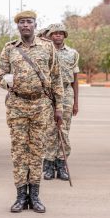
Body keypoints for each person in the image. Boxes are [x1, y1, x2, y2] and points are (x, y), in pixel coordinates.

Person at [0, 10, 63, 214]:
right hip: (17, 106)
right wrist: (5, 82)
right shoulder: (9, 49)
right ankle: (20, 196)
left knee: (36, 151)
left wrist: (59, 107)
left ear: (35, 25)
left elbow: (56, 77)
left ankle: (34, 196)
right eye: (22, 22)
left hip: (40, 106)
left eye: (29, 22)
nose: (25, 25)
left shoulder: (47, 48)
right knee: (19, 151)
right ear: (18, 26)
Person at [43, 23, 79, 181]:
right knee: (50, 130)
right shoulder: (44, 52)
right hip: (49, 94)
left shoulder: (72, 53)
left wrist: (76, 102)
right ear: (50, 36)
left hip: (66, 93)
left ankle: (61, 164)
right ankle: (49, 164)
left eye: (60, 33)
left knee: (63, 130)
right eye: (54, 33)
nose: (57, 36)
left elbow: (75, 79)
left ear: (64, 36)